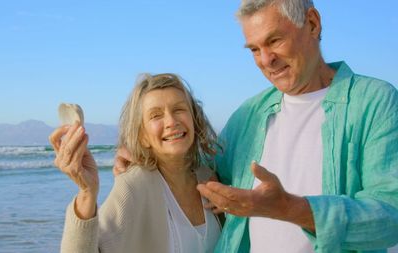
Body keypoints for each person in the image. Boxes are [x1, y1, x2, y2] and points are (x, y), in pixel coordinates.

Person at [191, 0, 398, 252]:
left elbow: (391, 215)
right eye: (254, 49)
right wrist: (137, 158)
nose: (266, 60)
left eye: (275, 40)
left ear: (312, 23)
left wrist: (288, 208)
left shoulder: (375, 101)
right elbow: (200, 165)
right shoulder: (249, 113)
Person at [49, 73, 223, 253]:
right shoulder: (134, 184)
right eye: (156, 115)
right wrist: (87, 192)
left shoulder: (209, 179)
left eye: (179, 109)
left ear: (194, 120)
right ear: (143, 136)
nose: (171, 121)